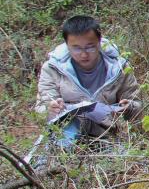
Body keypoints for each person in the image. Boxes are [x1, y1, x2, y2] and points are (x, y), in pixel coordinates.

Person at [34, 15, 142, 146]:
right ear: (66, 45)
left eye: (90, 47)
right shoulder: (53, 68)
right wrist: (50, 110)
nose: (84, 54)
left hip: (110, 136)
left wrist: (129, 107)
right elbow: (42, 107)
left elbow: (137, 104)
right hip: (66, 137)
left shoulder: (119, 67)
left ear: (99, 41)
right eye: (76, 48)